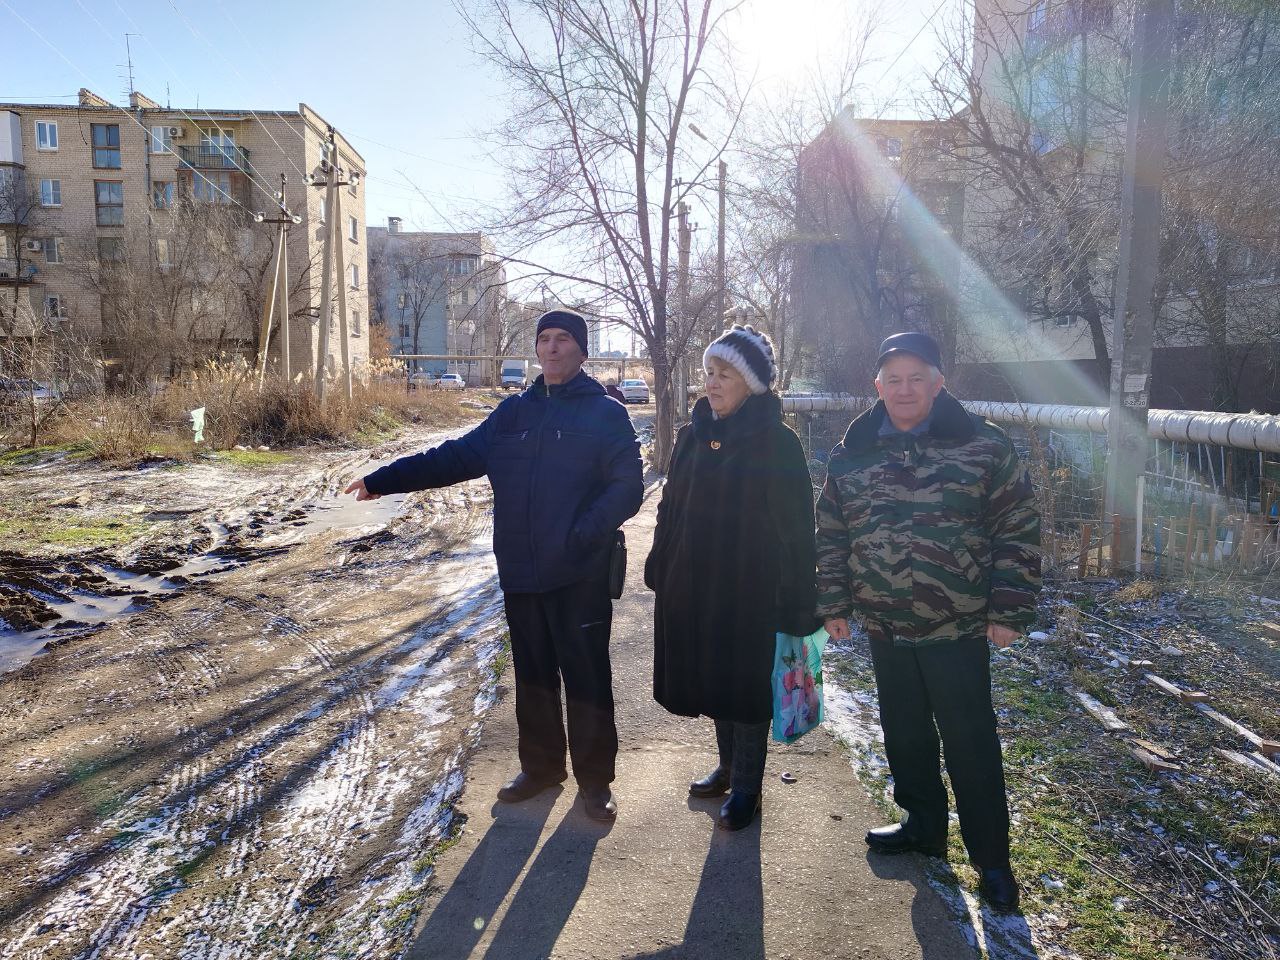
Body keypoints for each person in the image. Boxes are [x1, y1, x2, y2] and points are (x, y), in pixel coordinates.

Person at [344, 309, 643, 822]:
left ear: (582, 351)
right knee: (533, 675)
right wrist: (383, 478)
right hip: (523, 572)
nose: (551, 348)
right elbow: (454, 457)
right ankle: (542, 768)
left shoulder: (604, 415)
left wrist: (582, 535)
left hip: (580, 574)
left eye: (563, 340)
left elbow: (627, 487)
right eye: (543, 339)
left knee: (587, 677)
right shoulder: (513, 415)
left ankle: (596, 782)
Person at [815, 331, 1041, 911]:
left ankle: (993, 861)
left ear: (939, 383)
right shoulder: (855, 451)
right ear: (878, 387)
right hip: (886, 625)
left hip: (958, 626)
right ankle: (923, 826)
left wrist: (1009, 609)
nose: (905, 389)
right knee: (905, 733)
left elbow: (1016, 528)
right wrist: (835, 605)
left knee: (971, 743)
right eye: (894, 380)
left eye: (917, 378)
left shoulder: (982, 447)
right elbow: (832, 535)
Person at [646, 324, 818, 831]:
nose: (712, 383)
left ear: (752, 384)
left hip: (753, 589)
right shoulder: (691, 437)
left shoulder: (777, 443)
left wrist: (799, 598)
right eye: (710, 373)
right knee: (714, 676)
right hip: (695, 582)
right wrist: (661, 562)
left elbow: (797, 528)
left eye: (724, 374)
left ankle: (748, 788)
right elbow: (670, 507)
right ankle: (726, 767)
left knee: (747, 687)